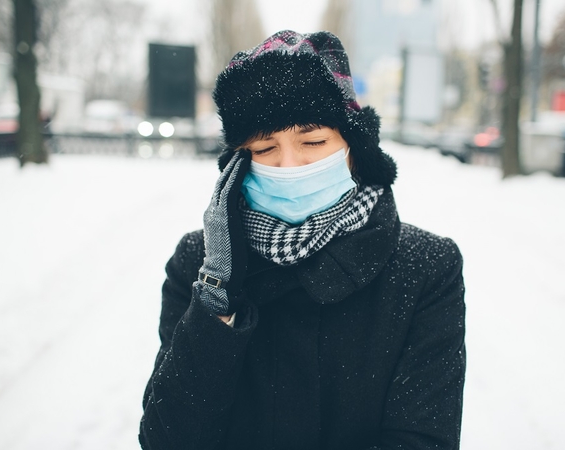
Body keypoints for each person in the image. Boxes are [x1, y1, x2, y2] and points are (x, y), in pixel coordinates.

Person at [139, 30, 466, 450]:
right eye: (263, 148)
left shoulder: (426, 268)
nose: (289, 165)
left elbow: (423, 439)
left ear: (354, 146)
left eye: (313, 141)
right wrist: (217, 296)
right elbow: (168, 440)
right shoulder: (198, 264)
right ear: (236, 163)